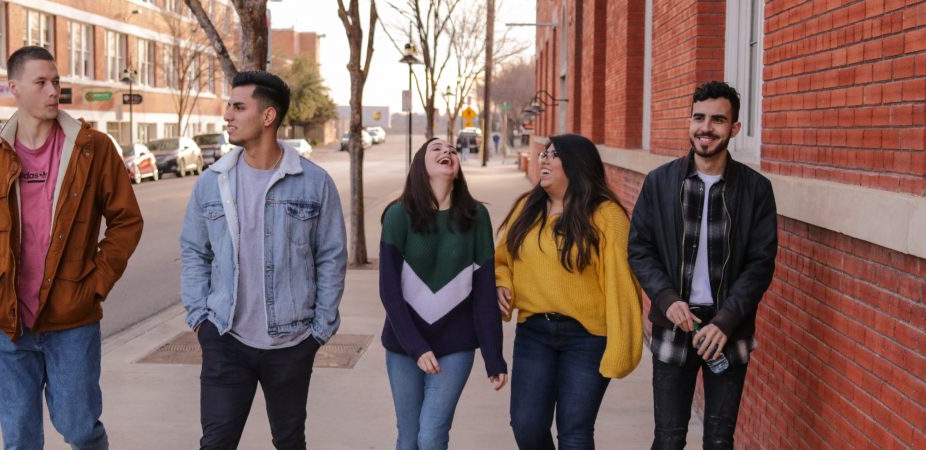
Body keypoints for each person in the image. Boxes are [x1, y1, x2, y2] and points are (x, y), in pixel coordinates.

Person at [0, 46, 143, 450]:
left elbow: (127, 220)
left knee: (80, 428)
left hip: (72, 318)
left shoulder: (93, 149)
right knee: (19, 439)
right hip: (9, 322)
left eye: (56, 82)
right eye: (41, 82)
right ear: (13, 88)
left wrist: (96, 283)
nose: (53, 91)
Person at [179, 70, 347, 450]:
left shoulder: (314, 182)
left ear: (268, 117)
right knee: (216, 443)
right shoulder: (212, 181)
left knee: (289, 441)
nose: (228, 115)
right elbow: (193, 251)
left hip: (291, 341)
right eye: (229, 106)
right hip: (225, 337)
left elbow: (332, 256)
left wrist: (319, 329)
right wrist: (199, 319)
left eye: (239, 107)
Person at [627, 80, 777, 449]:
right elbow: (640, 249)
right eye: (699, 117)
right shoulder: (660, 183)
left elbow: (760, 264)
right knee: (668, 439)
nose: (706, 128)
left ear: (734, 128)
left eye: (718, 120)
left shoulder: (756, 190)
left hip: (728, 328)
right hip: (674, 324)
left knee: (720, 440)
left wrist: (725, 321)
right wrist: (665, 299)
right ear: (689, 121)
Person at [495, 134, 643, 449]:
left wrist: (621, 348)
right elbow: (502, 262)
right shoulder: (527, 208)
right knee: (526, 426)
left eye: (553, 155)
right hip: (533, 332)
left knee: (574, 433)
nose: (543, 160)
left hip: (587, 339)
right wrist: (502, 285)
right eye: (543, 154)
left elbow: (622, 287)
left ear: (576, 164)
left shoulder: (607, 217)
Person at [379, 138, 508, 450]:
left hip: (455, 345)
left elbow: (484, 292)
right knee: (408, 439)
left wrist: (494, 357)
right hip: (404, 345)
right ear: (421, 164)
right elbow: (389, 291)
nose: (447, 152)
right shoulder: (398, 215)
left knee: (432, 436)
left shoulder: (476, 217)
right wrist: (416, 346)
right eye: (436, 149)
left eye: (452, 150)